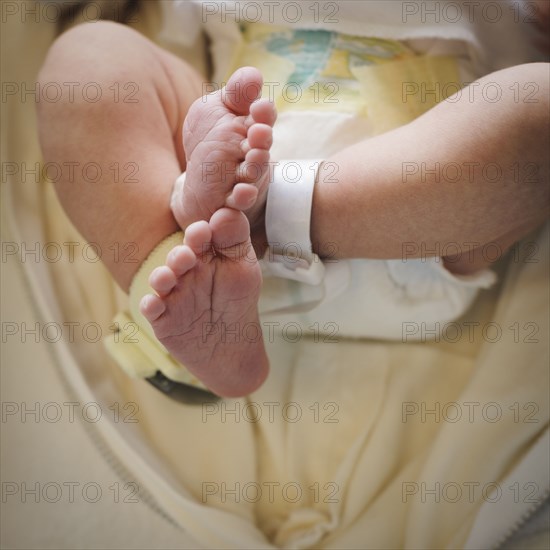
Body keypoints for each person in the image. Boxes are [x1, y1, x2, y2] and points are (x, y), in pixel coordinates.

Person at [36, 1, 549, 397]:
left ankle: (267, 217)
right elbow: (172, 64)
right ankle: (175, 277)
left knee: (537, 110)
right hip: (219, 203)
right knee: (88, 58)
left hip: (410, 219)